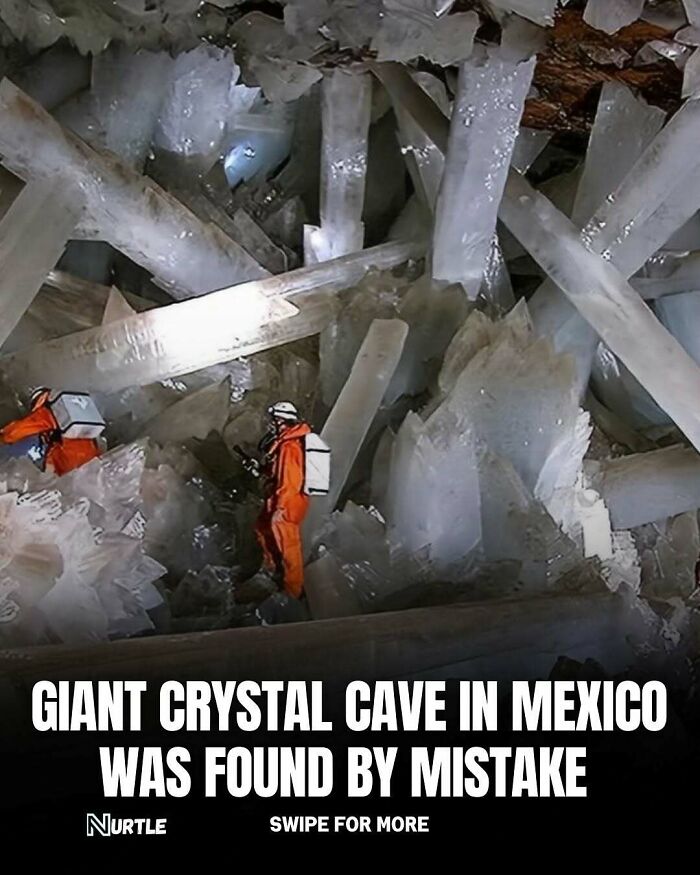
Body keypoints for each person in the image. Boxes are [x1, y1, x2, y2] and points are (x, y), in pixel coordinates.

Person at [254, 401, 311, 599]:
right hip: (279, 498)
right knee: (262, 526)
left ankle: (293, 589)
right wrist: (261, 470)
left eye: (275, 420)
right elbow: (277, 472)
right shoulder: (283, 444)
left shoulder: (290, 446)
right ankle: (272, 567)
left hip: (288, 501)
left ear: (282, 420)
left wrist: (281, 506)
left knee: (289, 544)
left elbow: (290, 480)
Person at [0, 388, 102, 476]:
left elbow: (16, 432)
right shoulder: (72, 415)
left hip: (72, 465)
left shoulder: (48, 412)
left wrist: (3, 437)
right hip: (94, 460)